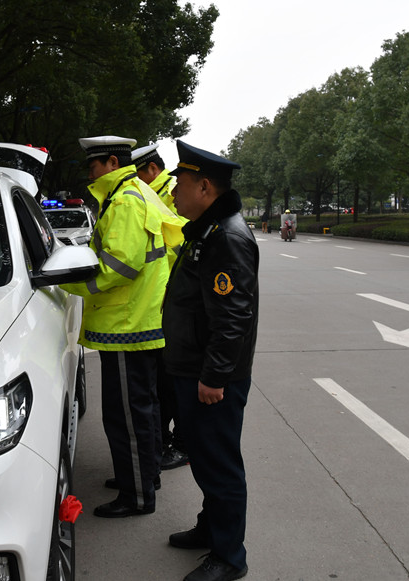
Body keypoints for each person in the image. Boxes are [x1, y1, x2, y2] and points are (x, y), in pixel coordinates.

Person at [162, 140, 259, 581]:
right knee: (204, 458)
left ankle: (228, 557)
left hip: (211, 376)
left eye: (179, 184)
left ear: (204, 186)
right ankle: (210, 529)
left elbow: (234, 316)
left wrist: (215, 376)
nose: (173, 193)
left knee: (219, 463)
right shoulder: (206, 231)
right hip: (194, 368)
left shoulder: (226, 238)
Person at [60, 135, 170, 518]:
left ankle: (136, 495)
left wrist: (69, 283)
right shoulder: (132, 192)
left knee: (127, 415)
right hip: (138, 320)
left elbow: (120, 266)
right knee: (143, 409)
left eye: (92, 165)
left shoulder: (124, 201)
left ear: (109, 162)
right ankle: (144, 476)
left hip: (127, 323)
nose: (89, 172)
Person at [131, 143, 189, 472]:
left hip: (175, 299)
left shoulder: (168, 193)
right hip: (165, 300)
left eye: (137, 173)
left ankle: (181, 443)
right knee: (165, 379)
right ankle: (168, 440)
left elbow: (176, 248)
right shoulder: (156, 193)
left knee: (174, 378)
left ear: (152, 170)